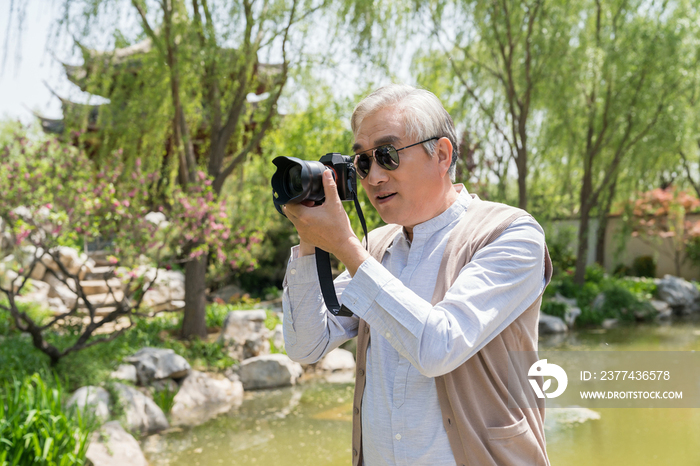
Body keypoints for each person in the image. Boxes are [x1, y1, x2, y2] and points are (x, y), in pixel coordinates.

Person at [281, 84, 552, 466]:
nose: (373, 177)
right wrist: (310, 244)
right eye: (362, 162)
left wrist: (345, 246)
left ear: (441, 154)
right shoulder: (376, 247)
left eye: (387, 156)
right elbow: (305, 346)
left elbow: (438, 348)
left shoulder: (511, 234)